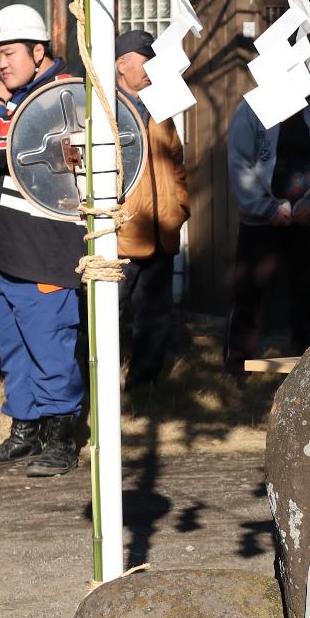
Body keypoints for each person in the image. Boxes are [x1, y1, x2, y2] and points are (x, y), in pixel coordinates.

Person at [0, 2, 89, 476]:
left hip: (46, 249)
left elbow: (4, 148)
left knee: (50, 345)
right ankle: (25, 430)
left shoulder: (60, 96)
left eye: (10, 52)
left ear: (39, 51)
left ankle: (62, 437)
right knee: (14, 346)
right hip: (6, 246)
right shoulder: (23, 98)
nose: (1, 62)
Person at [223, 68, 310, 372]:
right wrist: (265, 208)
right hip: (260, 220)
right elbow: (239, 161)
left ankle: (307, 367)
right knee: (248, 293)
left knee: (306, 294)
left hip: (305, 216)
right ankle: (238, 366)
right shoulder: (252, 107)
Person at [113, 28, 191, 392]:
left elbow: (176, 159)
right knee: (107, 315)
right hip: (122, 236)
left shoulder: (160, 107)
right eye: (145, 60)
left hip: (162, 230)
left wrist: (180, 206)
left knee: (156, 317)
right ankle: (95, 387)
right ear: (121, 64)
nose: (150, 70)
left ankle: (143, 387)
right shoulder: (105, 109)